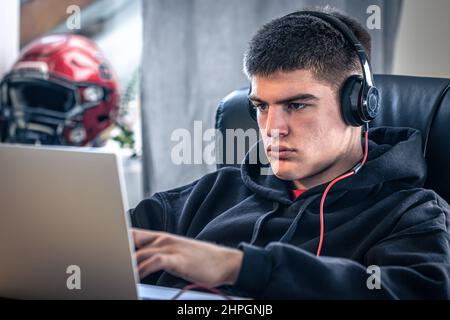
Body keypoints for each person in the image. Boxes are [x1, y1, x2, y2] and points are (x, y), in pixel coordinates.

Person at [129, 8, 450, 299]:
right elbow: (105, 240)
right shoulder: (211, 193)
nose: (273, 127)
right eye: (261, 106)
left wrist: (240, 267)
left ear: (358, 105)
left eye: (296, 105)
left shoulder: (410, 213)